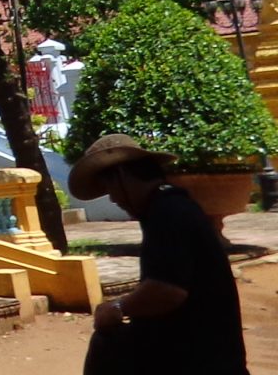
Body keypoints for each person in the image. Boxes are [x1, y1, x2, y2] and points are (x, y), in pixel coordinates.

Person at [67, 133, 247, 375]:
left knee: (107, 345)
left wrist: (118, 307)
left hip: (200, 360)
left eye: (110, 187)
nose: (113, 198)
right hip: (199, 352)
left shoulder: (168, 214)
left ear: (121, 176)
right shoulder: (168, 208)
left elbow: (167, 290)